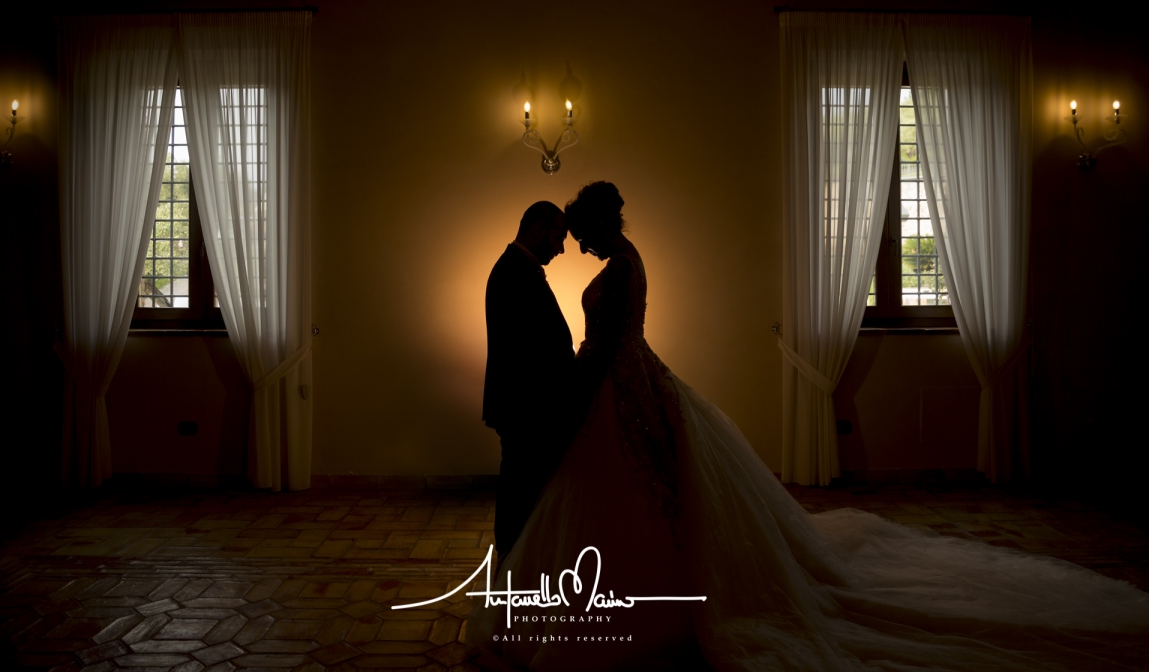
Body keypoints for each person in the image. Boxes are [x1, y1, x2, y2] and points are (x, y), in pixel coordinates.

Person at [472, 181, 1149, 671]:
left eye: (578, 235)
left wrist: (581, 389)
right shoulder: (627, 261)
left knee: (637, 497)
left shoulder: (619, 269)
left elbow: (608, 346)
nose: (574, 248)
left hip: (618, 388)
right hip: (624, 384)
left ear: (593, 226)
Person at [483, 201, 578, 562]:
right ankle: (514, 566)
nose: (561, 247)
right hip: (526, 407)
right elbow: (530, 351)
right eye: (558, 237)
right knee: (520, 494)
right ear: (537, 230)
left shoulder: (519, 268)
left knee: (522, 491)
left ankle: (519, 564)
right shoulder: (513, 272)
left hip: (526, 405)